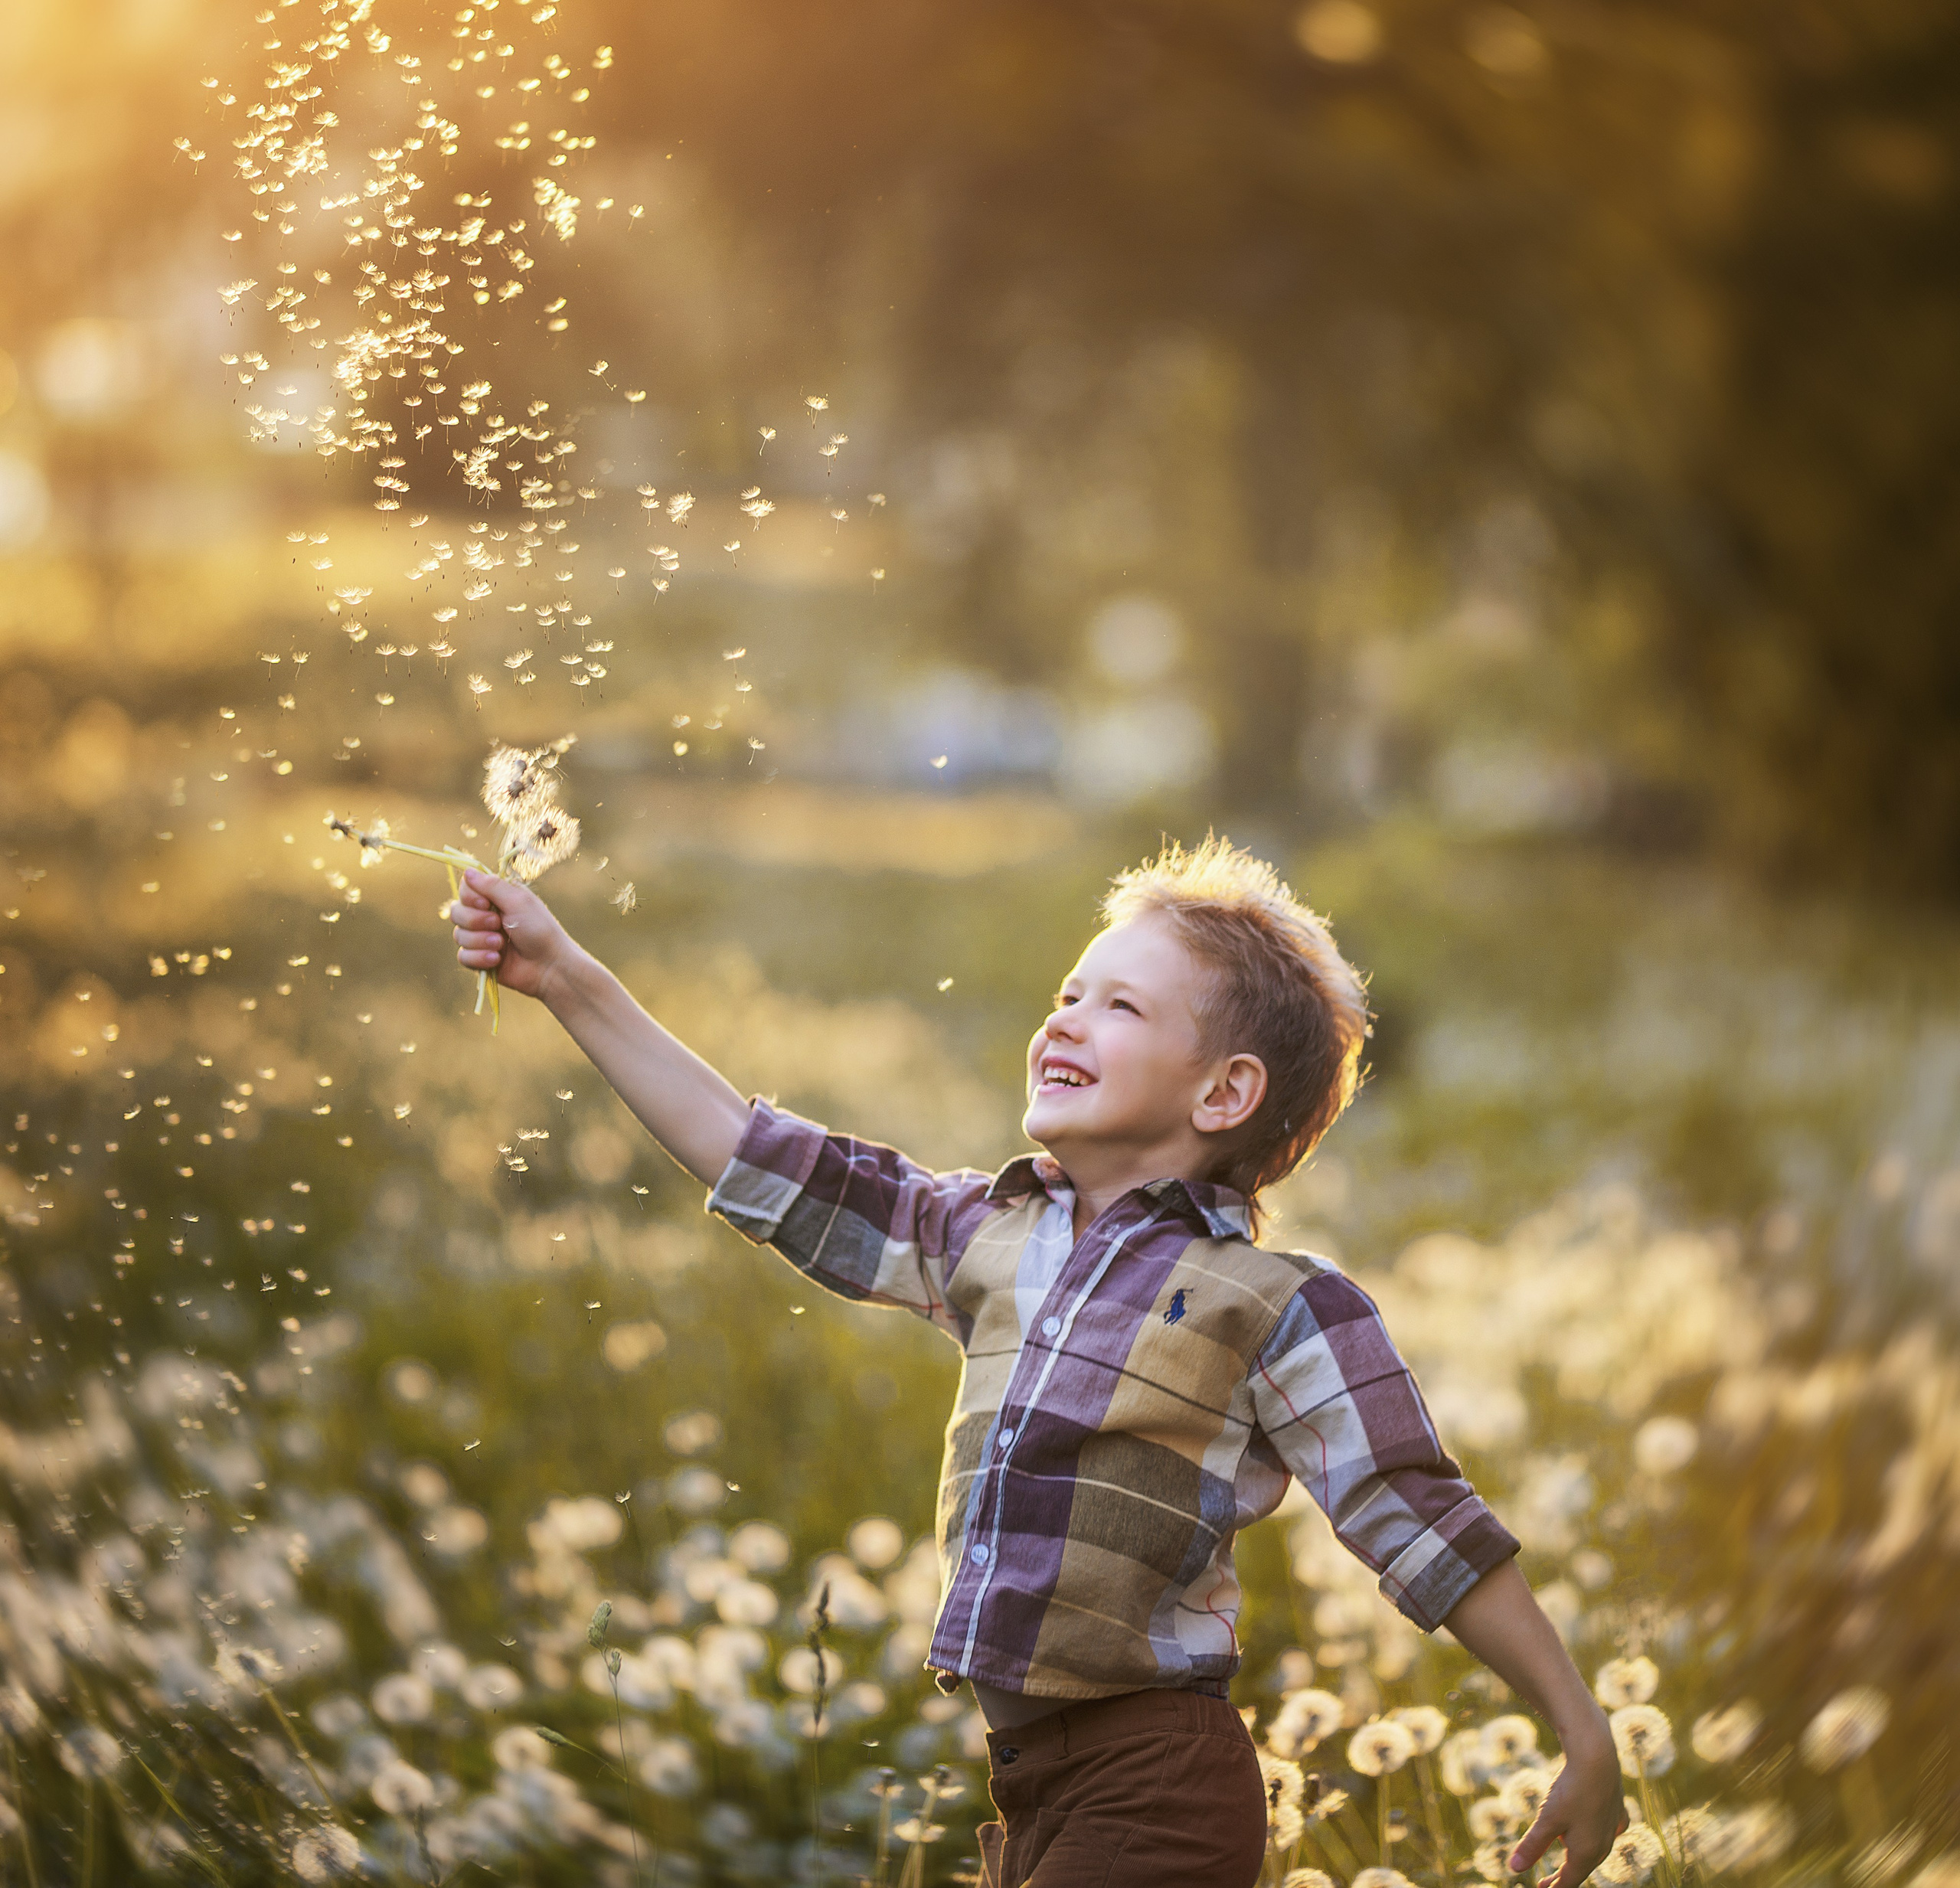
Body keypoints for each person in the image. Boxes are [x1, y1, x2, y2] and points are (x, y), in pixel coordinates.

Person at [451, 835, 1624, 1887]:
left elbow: (1421, 1518)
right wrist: (564, 974)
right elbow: (759, 1158)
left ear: (1226, 1092)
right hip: (1025, 1790)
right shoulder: (988, 1235)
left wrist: (1583, 1729)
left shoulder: (1277, 1305)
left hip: (1158, 1786)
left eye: (1118, 1005)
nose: (1063, 1017)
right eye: (1068, 990)